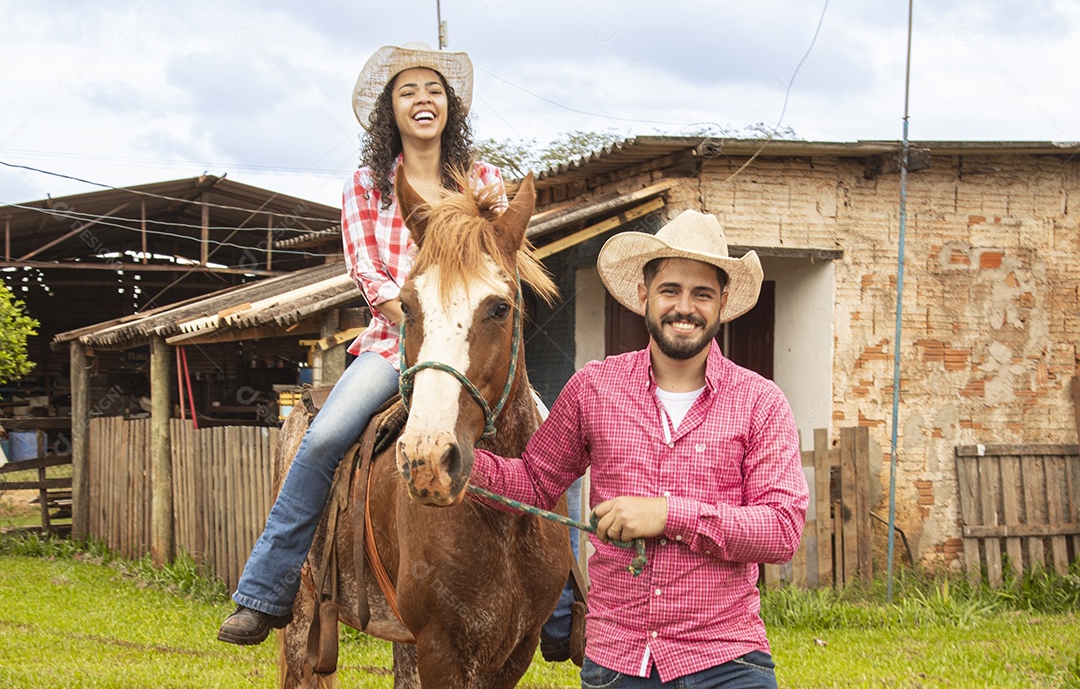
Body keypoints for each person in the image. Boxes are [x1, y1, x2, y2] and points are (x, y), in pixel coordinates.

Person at [218, 41, 508, 645]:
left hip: (471, 341)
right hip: (395, 340)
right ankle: (266, 588)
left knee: (548, 431)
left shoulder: (483, 180)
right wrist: (418, 316)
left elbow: (499, 261)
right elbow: (368, 274)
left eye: (434, 90)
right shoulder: (366, 185)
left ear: (450, 106)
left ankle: (564, 602)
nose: (423, 100)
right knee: (324, 437)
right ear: (390, 111)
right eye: (408, 91)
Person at [469, 210, 810, 687]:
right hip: (619, 662)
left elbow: (782, 528)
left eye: (702, 294)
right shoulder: (594, 388)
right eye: (670, 289)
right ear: (642, 294)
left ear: (723, 303)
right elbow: (532, 480)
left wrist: (669, 515)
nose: (684, 307)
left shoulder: (760, 402)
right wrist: (459, 464)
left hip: (727, 660)